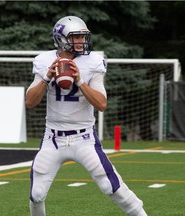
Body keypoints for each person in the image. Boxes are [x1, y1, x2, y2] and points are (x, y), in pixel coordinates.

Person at [26, 16, 148, 216]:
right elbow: (30, 102)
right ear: (61, 39)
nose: (82, 41)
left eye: (83, 36)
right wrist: (47, 77)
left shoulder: (93, 61)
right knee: (37, 194)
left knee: (111, 185)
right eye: (76, 37)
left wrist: (81, 81)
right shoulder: (44, 61)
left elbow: (101, 104)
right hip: (53, 138)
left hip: (84, 138)